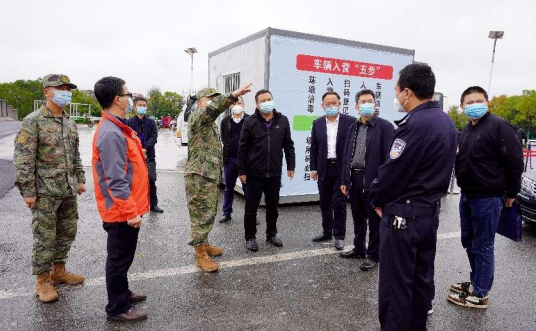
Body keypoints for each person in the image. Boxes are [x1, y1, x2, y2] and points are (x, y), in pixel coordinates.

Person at [369, 64, 458, 331]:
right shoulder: (446, 121)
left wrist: (375, 197)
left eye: (397, 91)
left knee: (396, 286)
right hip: (429, 213)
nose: (396, 97)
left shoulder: (414, 125)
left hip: (403, 217)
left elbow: (392, 173)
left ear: (407, 92)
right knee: (420, 281)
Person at [447, 86, 523, 309]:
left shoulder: (499, 126)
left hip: (488, 197)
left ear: (487, 103)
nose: (474, 105)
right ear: (462, 106)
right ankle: (475, 282)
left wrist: (511, 193)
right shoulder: (468, 129)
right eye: (469, 102)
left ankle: (480, 294)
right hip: (468, 195)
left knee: (483, 245)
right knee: (469, 241)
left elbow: (515, 162)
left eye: (478, 100)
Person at [13, 74, 86, 304]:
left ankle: (59, 270)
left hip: (67, 188)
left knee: (66, 232)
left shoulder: (69, 122)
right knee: (44, 237)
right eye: (60, 88)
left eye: (67, 88)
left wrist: (80, 179)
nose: (66, 91)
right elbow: (24, 158)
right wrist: (28, 190)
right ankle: (42, 281)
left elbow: (75, 155)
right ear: (47, 91)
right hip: (44, 191)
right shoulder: (33, 121)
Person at [93, 76, 150, 322]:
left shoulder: (117, 127)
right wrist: (130, 212)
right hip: (120, 212)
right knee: (118, 259)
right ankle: (117, 307)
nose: (131, 98)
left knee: (124, 257)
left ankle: (123, 293)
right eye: (128, 94)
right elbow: (115, 180)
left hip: (126, 207)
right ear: (118, 99)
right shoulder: (111, 133)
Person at [185, 84, 252, 272]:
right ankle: (200, 254)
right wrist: (231, 96)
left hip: (208, 174)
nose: (214, 102)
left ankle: (204, 244)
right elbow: (213, 109)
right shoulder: (198, 116)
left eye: (216, 98)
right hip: (199, 175)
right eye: (210, 98)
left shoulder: (209, 122)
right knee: (200, 214)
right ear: (200, 102)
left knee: (208, 212)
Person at [339, 89, 395, 271]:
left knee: (375, 219)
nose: (366, 104)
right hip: (354, 178)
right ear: (356, 106)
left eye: (370, 101)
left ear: (375, 104)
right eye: (363, 101)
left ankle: (373, 255)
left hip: (374, 181)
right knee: (357, 216)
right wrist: (344, 180)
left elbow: (389, 158)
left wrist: (384, 183)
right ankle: (359, 248)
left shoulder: (385, 127)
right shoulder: (353, 128)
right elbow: (347, 155)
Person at [238, 89, 296, 252]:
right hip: (254, 173)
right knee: (251, 207)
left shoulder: (282, 120)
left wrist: (291, 165)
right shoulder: (250, 121)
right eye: (262, 100)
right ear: (257, 104)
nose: (266, 102)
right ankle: (250, 237)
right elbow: (242, 148)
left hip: (274, 173)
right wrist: (241, 171)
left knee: (272, 207)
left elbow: (288, 145)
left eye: (269, 99)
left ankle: (271, 234)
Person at [310, 91, 355, 250]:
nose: (331, 106)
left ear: (339, 104)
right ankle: (326, 231)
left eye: (333, 103)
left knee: (339, 202)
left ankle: (339, 236)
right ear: (322, 106)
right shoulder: (318, 123)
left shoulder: (350, 122)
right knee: (325, 202)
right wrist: (313, 168)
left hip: (341, 168)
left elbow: (353, 146)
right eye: (327, 104)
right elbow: (314, 147)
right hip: (324, 167)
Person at [127, 97, 163, 213]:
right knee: (134, 182)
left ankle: (154, 204)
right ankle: (134, 204)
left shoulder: (151, 122)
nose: (142, 107)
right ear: (135, 107)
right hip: (134, 158)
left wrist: (145, 149)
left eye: (144, 105)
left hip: (149, 156)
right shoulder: (129, 122)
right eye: (140, 105)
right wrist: (138, 150)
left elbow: (154, 137)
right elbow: (128, 139)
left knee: (151, 181)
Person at [219, 96, 249, 223]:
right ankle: (227, 213)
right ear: (230, 105)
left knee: (248, 189)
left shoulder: (250, 120)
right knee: (228, 188)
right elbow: (224, 139)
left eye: (240, 102)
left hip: (245, 162)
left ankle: (250, 213)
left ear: (243, 104)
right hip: (230, 159)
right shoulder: (225, 121)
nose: (237, 105)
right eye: (235, 102)